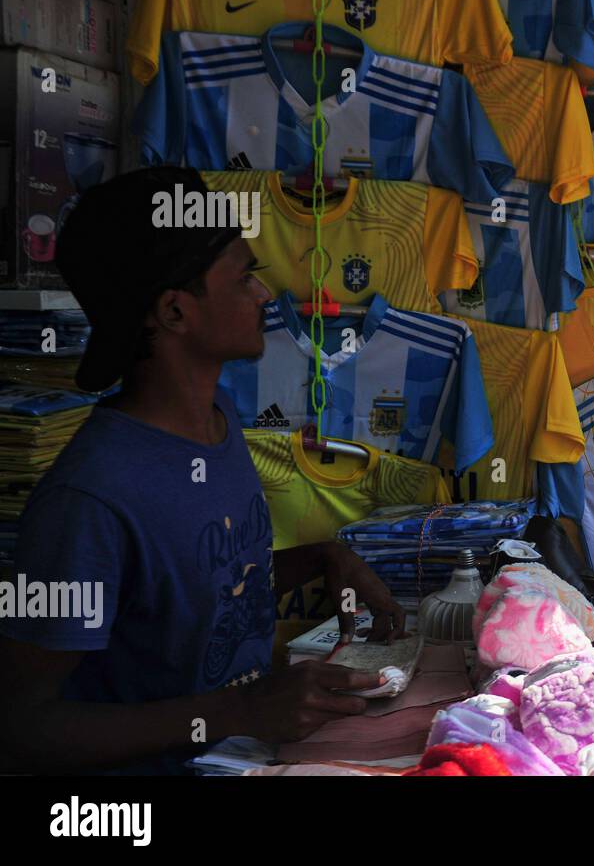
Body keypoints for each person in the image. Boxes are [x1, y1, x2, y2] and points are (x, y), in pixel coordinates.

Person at [0, 167, 408, 774]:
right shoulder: (89, 501)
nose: (264, 296)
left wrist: (324, 557)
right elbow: (21, 726)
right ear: (174, 311)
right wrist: (238, 712)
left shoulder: (217, 418)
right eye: (244, 278)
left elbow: (206, 588)